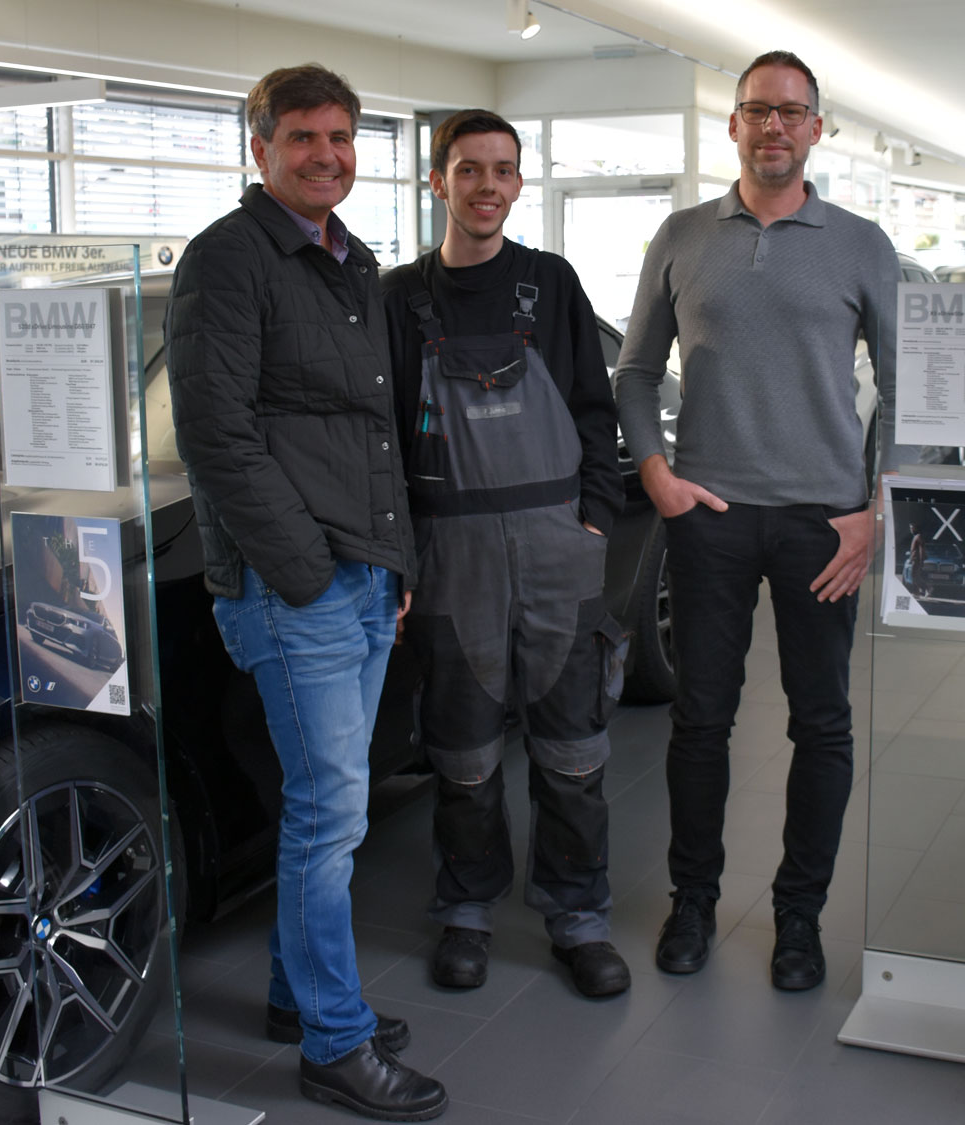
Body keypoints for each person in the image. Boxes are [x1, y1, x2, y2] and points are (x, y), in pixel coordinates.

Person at [167, 63, 447, 1121]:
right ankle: (336, 1042)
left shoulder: (345, 262)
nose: (324, 154)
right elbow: (217, 438)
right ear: (260, 147)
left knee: (324, 808)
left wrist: (395, 564)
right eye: (301, 138)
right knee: (328, 818)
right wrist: (307, 570)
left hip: (360, 579)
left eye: (340, 137)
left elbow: (375, 433)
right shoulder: (227, 260)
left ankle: (296, 998)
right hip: (299, 589)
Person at [612, 50, 897, 991]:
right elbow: (636, 369)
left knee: (821, 726)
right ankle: (693, 901)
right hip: (710, 515)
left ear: (818, 129)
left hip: (825, 523)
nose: (774, 127)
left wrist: (873, 508)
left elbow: (905, 391)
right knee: (701, 719)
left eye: (792, 112)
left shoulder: (861, 244)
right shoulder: (683, 235)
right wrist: (655, 470)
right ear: (732, 126)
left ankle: (799, 919)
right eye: (756, 111)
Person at [382, 110, 631, 999]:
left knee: (574, 750)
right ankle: (466, 910)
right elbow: (383, 441)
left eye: (502, 170)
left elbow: (595, 413)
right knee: (464, 754)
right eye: (468, 170)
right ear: (438, 182)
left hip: (555, 540)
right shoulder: (399, 297)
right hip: (451, 550)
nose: (486, 185)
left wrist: (594, 519)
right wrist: (402, 555)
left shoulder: (552, 284)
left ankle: (578, 917)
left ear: (519, 184)